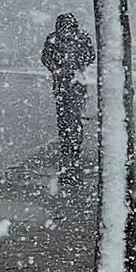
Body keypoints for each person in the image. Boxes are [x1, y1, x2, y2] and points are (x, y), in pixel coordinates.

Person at [41, 13, 95, 183]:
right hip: (62, 83)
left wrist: (80, 64)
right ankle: (67, 144)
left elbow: (90, 55)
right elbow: (45, 57)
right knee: (65, 116)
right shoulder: (53, 39)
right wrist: (56, 69)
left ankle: (74, 144)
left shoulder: (81, 38)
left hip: (76, 82)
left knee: (74, 115)